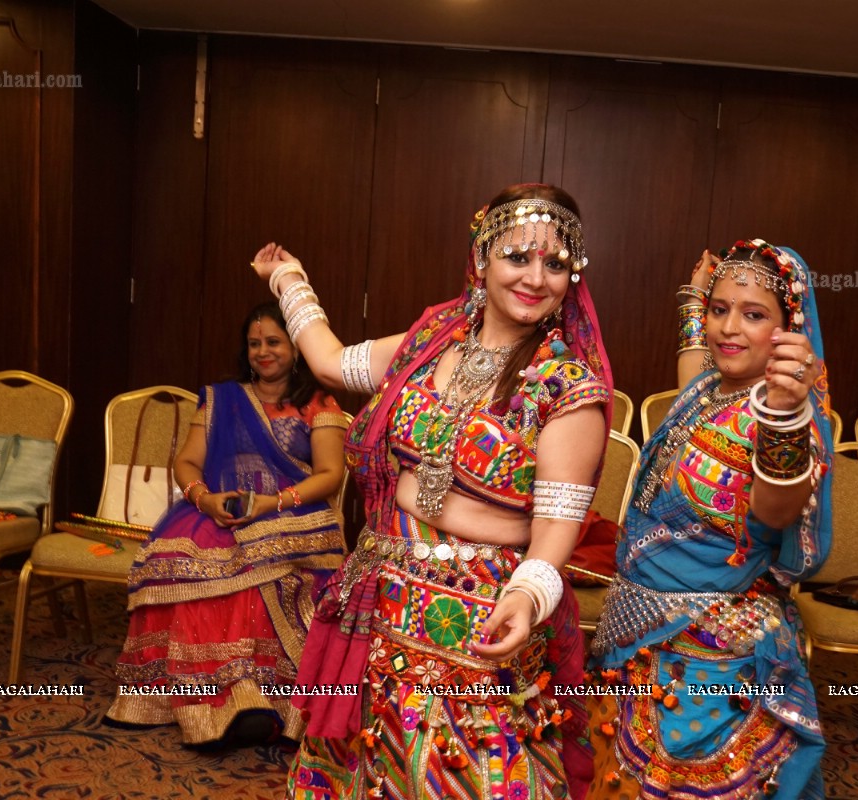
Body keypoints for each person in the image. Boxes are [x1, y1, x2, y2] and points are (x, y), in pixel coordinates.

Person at [249, 184, 613, 800]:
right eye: (518, 257)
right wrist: (289, 280)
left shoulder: (567, 389)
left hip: (477, 620)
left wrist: (527, 597)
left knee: (460, 776)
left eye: (556, 264)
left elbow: (556, 531)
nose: (535, 277)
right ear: (481, 258)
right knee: (360, 765)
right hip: (381, 601)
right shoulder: (430, 344)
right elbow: (335, 364)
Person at [591, 239, 833, 799]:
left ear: (789, 329)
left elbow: (777, 507)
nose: (729, 328)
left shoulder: (780, 416)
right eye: (720, 310)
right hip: (639, 631)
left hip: (712, 650)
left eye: (754, 316)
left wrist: (786, 413)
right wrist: (692, 297)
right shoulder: (706, 389)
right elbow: (693, 357)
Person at [105, 302, 349, 746]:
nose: (263, 352)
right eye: (254, 343)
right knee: (182, 566)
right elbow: (187, 461)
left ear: (296, 346)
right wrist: (205, 498)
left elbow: (330, 473)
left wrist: (275, 502)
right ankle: (206, 704)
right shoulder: (222, 399)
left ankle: (264, 700)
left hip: (291, 514)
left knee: (253, 571)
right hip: (222, 510)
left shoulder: (317, 402)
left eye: (273, 342)